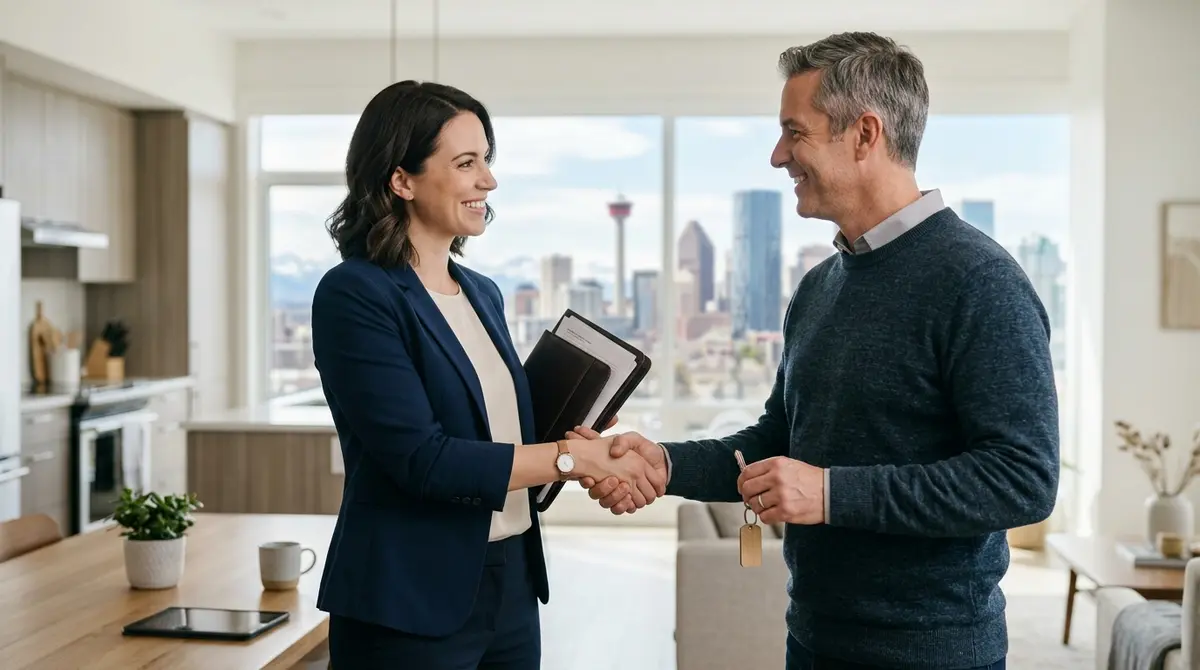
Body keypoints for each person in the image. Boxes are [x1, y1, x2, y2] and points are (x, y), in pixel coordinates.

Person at [577, 32, 1059, 670]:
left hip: (932, 653)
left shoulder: (980, 281)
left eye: (794, 133)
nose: (778, 157)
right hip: (812, 637)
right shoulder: (820, 285)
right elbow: (782, 441)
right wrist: (665, 464)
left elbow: (1023, 480)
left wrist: (831, 494)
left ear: (864, 135)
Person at [310, 80, 665, 669]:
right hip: (408, 601)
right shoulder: (356, 293)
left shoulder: (482, 293)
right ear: (402, 180)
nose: (489, 182)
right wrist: (572, 460)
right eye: (466, 163)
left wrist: (580, 437)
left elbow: (499, 432)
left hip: (511, 586)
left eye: (487, 161)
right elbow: (422, 459)